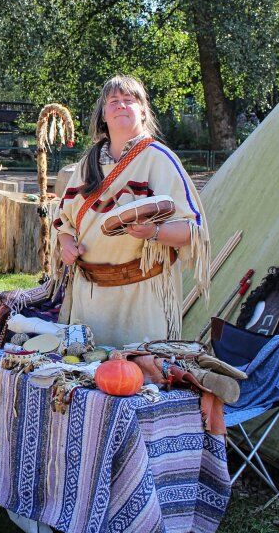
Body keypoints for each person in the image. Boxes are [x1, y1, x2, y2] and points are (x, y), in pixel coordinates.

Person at [55, 75, 210, 346]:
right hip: (89, 299)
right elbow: (64, 222)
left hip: (143, 300)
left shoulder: (159, 160)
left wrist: (155, 232)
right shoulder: (86, 165)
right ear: (103, 113)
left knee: (141, 380)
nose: (121, 106)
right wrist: (67, 245)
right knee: (87, 375)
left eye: (129, 100)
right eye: (113, 101)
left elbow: (192, 230)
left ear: (142, 110)